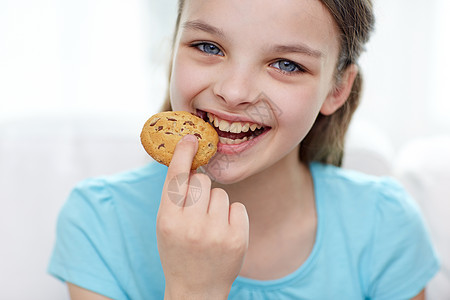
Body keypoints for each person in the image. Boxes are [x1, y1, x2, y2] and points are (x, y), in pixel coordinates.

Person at [48, 0, 440, 299]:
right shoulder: (100, 222)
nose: (233, 92)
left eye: (286, 64)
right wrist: (193, 289)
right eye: (208, 46)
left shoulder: (385, 226)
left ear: (337, 89)